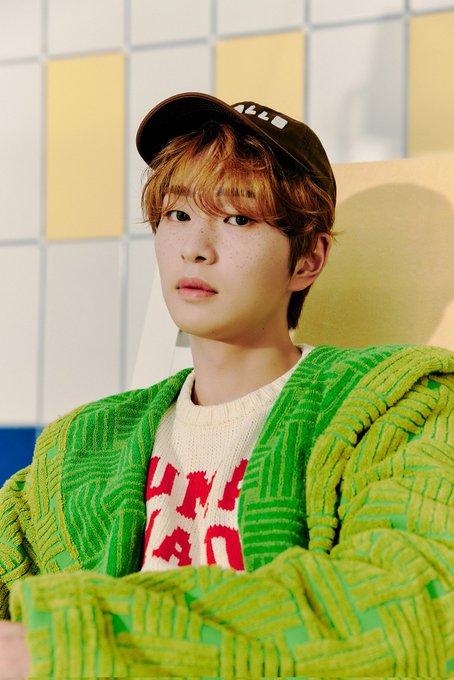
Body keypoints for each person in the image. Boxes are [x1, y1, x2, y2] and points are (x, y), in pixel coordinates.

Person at [0, 92, 453, 678]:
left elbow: (411, 604)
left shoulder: (396, 407)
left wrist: (62, 642)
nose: (194, 248)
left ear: (307, 260)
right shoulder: (86, 443)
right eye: (177, 215)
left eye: (238, 219)